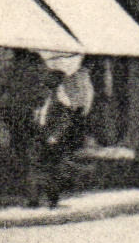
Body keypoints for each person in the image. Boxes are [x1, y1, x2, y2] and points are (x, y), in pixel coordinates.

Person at [29, 64, 93, 208]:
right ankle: (34, 199)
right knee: (38, 168)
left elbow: (64, 121)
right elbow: (39, 119)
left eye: (48, 86)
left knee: (52, 170)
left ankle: (52, 199)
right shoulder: (42, 102)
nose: (45, 89)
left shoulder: (61, 102)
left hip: (53, 141)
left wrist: (55, 137)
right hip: (41, 137)